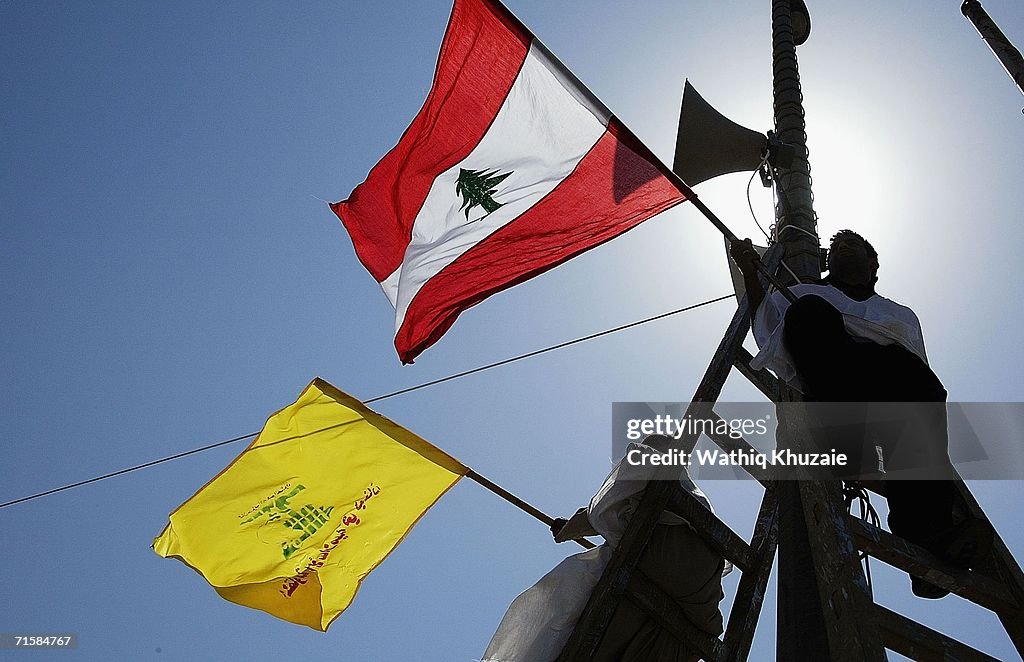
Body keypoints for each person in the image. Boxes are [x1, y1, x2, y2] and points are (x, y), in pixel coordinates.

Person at [730, 230, 990, 598]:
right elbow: (766, 321)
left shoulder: (899, 314)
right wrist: (750, 272)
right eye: (836, 247)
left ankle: (929, 545)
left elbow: (916, 367)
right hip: (838, 391)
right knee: (809, 314)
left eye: (851, 245)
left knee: (920, 385)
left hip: (893, 397)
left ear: (873, 263)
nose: (842, 250)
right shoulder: (808, 294)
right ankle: (849, 443)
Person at [481, 435, 726, 661]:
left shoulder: (648, 462)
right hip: (702, 582)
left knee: (582, 589)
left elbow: (604, 507)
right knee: (701, 629)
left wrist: (568, 528)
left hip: (661, 555)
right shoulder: (697, 499)